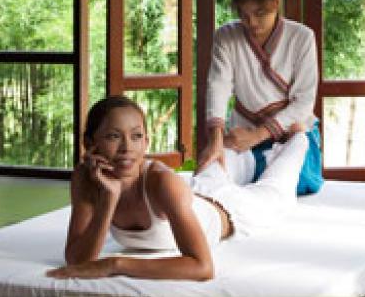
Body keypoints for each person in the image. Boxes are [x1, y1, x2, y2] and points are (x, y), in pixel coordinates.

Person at [47, 95, 308, 281]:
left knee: (278, 182)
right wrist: (109, 198)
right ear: (89, 143)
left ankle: (297, 136)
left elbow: (202, 267)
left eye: (136, 136)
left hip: (233, 211)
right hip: (198, 190)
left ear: (146, 142)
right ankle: (250, 151)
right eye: (114, 136)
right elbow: (78, 260)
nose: (127, 148)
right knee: (222, 155)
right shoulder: (86, 178)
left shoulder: (161, 181)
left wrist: (116, 264)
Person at [197, 0, 323, 195]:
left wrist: (257, 136)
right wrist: (216, 141)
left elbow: (304, 102)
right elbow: (218, 87)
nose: (252, 23)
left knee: (293, 175)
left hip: (290, 132)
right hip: (243, 132)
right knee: (212, 173)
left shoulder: (302, 37)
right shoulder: (226, 36)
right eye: (244, 15)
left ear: (276, 2)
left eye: (260, 13)